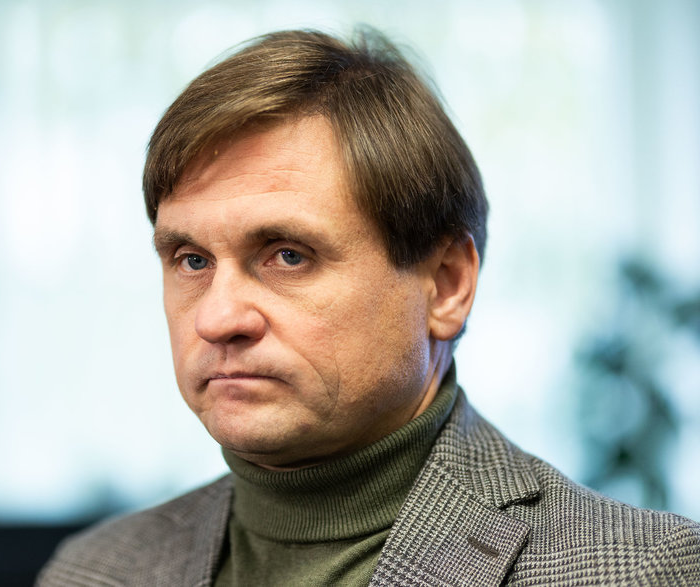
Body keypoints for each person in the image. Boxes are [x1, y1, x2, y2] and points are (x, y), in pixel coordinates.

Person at [38, 29, 700, 586]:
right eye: (191, 260)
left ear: (446, 285)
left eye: (288, 255)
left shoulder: (636, 570)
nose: (217, 319)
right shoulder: (93, 571)